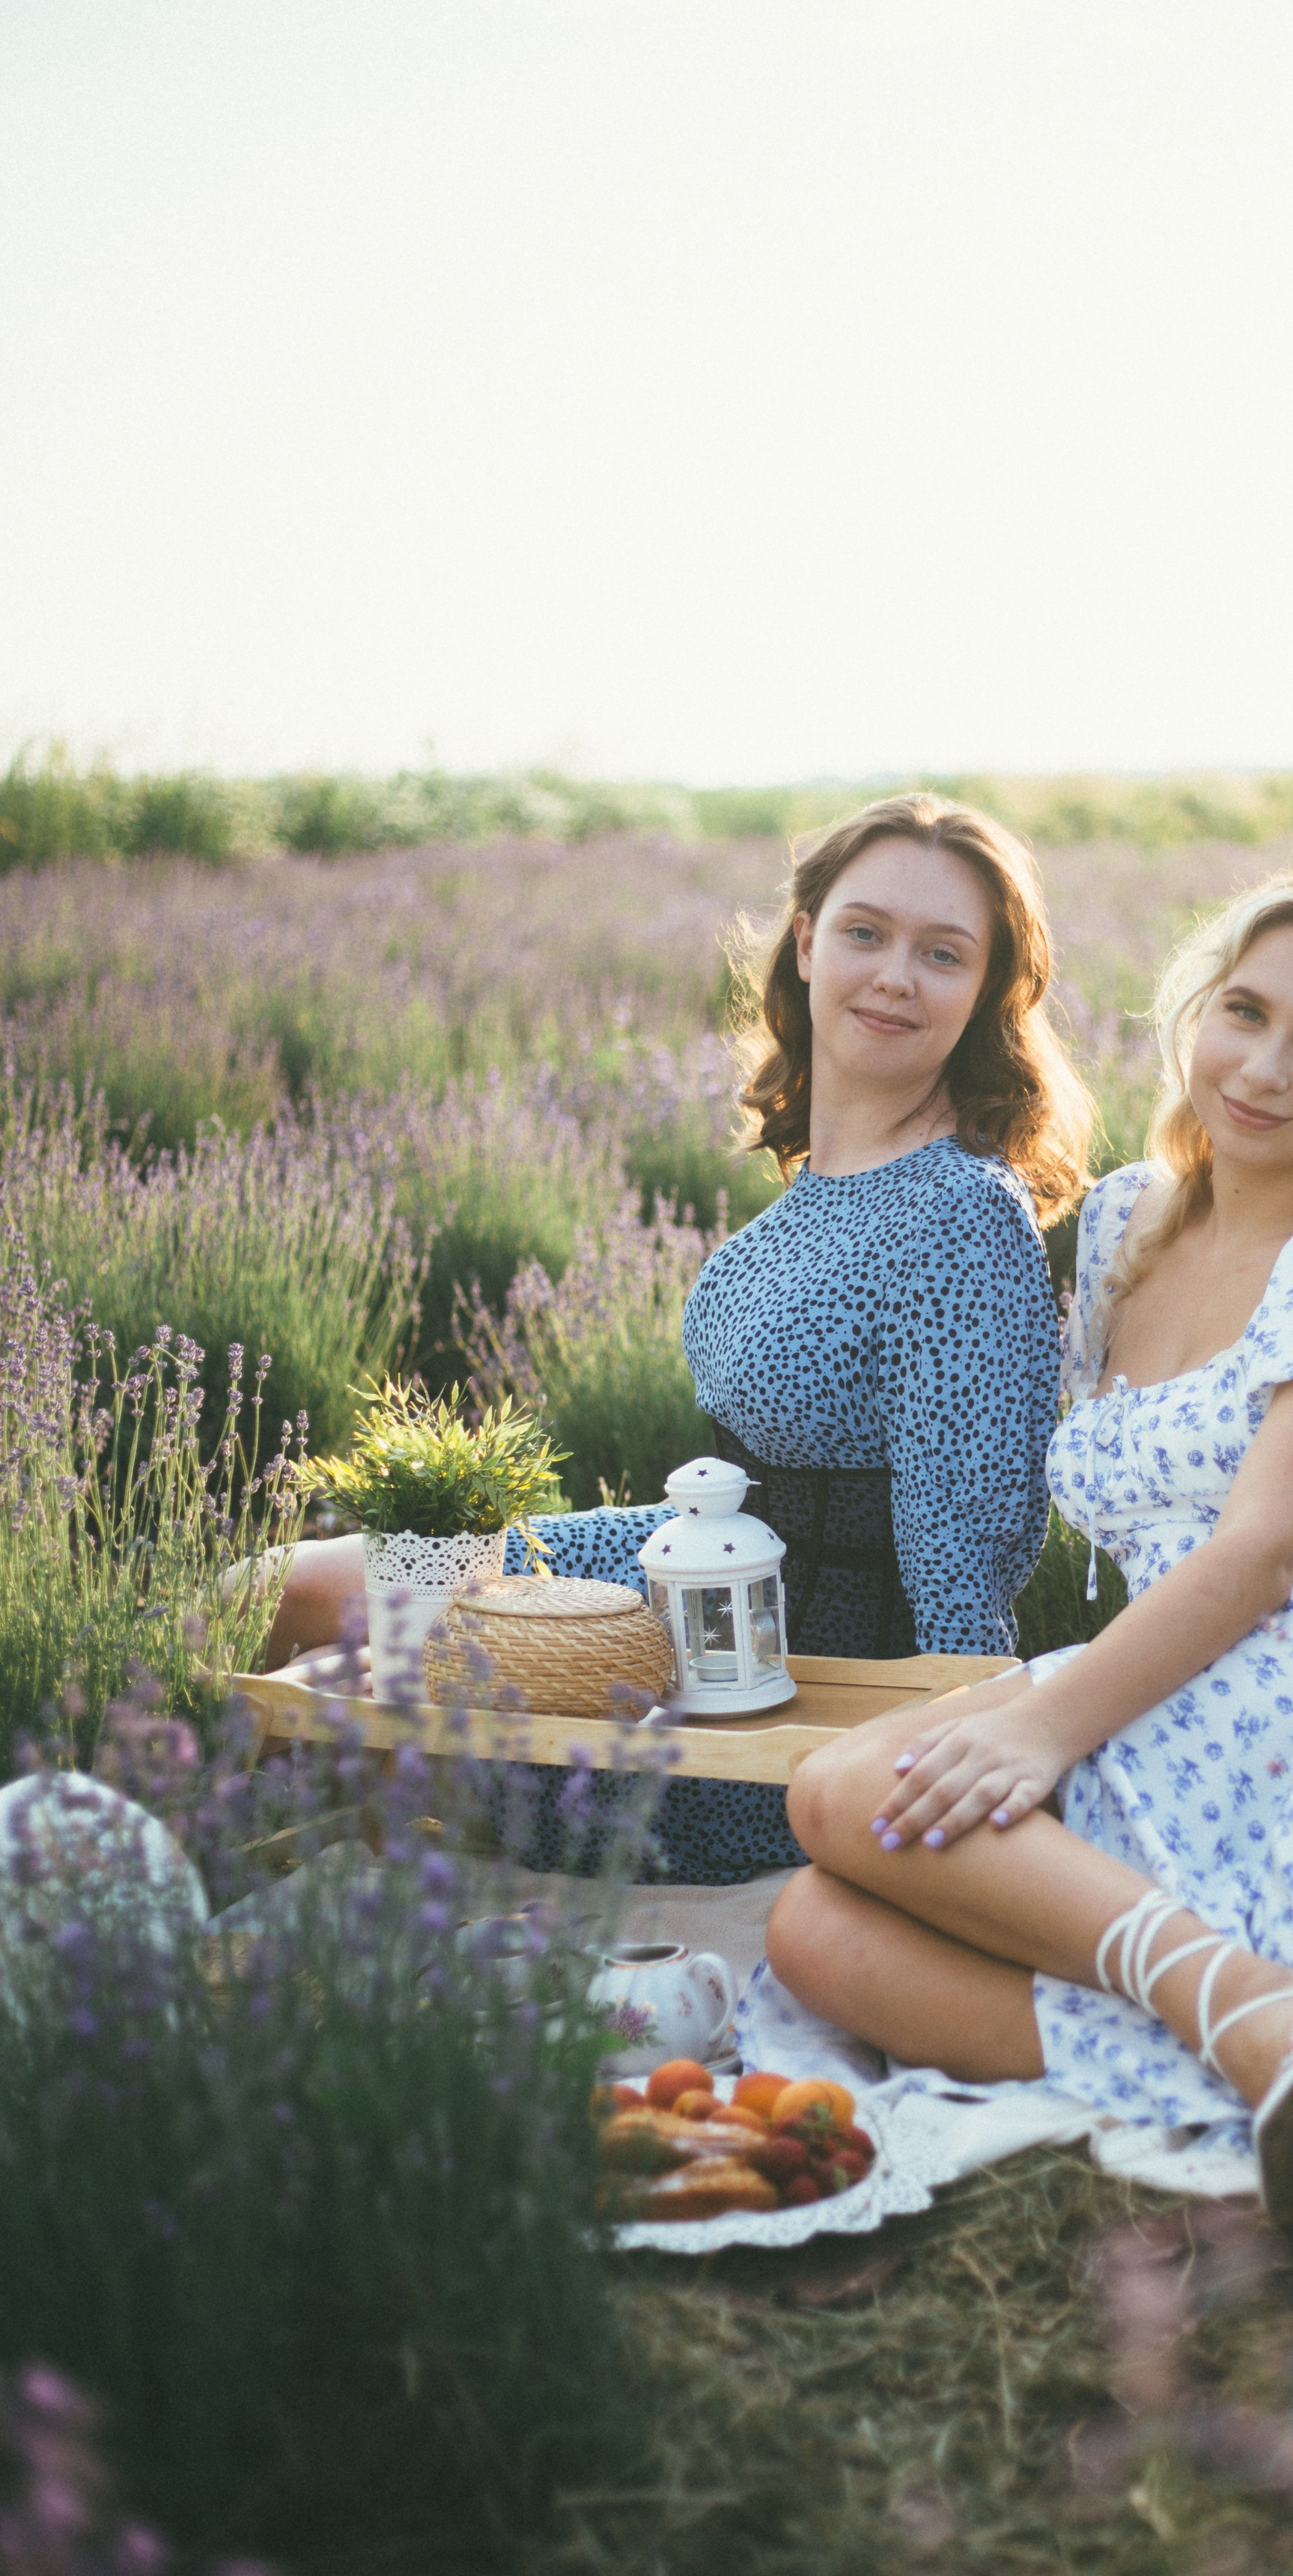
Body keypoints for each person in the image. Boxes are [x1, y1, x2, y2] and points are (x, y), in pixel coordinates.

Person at [755, 865, 1293, 2216]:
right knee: (811, 1923)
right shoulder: (1124, 1224)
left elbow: (1260, 1557)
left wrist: (1044, 1727)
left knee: (840, 1797)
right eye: (1246, 1012)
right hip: (1173, 1648)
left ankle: (1264, 2026)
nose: (1266, 1068)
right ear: (1195, 1013)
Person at [259, 792, 1094, 1881]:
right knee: (296, 1593)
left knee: (314, 1607)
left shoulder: (957, 1214)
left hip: (770, 1673)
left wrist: (954, 1806)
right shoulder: (829, 1183)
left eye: (942, 953)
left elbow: (962, 1569)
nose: (894, 974)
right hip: (685, 1570)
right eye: (865, 932)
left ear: (986, 991)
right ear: (805, 942)